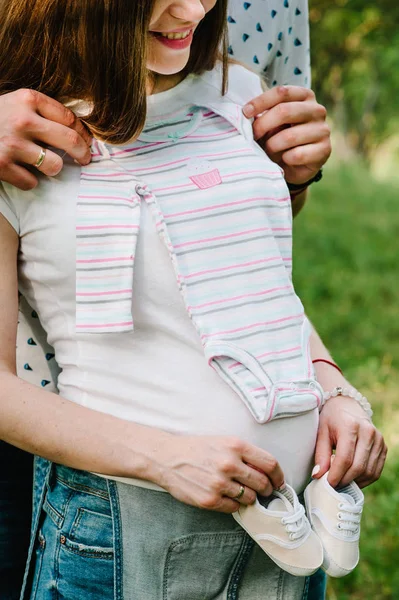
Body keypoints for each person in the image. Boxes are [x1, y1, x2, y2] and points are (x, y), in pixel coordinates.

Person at [0, 0, 386, 599]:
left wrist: (334, 391)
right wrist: (165, 460)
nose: (193, 10)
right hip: (123, 529)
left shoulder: (242, 92)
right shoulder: (17, 140)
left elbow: (259, 290)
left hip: (289, 531)